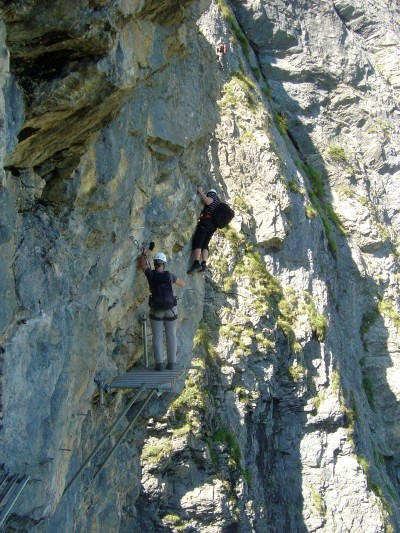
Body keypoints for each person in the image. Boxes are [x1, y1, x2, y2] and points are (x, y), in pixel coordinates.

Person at [139, 249, 185, 371]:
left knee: (157, 337)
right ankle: (171, 363)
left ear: (155, 264)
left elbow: (143, 264)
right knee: (171, 336)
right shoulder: (170, 276)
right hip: (171, 310)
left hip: (156, 310)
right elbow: (182, 284)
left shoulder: (150, 274)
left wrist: (145, 253)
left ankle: (159, 364)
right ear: (164, 264)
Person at [187, 187, 221, 274]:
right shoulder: (219, 202)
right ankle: (204, 263)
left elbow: (207, 201)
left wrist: (201, 192)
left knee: (198, 241)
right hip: (213, 226)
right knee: (205, 243)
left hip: (206, 222)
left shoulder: (212, 197)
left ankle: (196, 263)